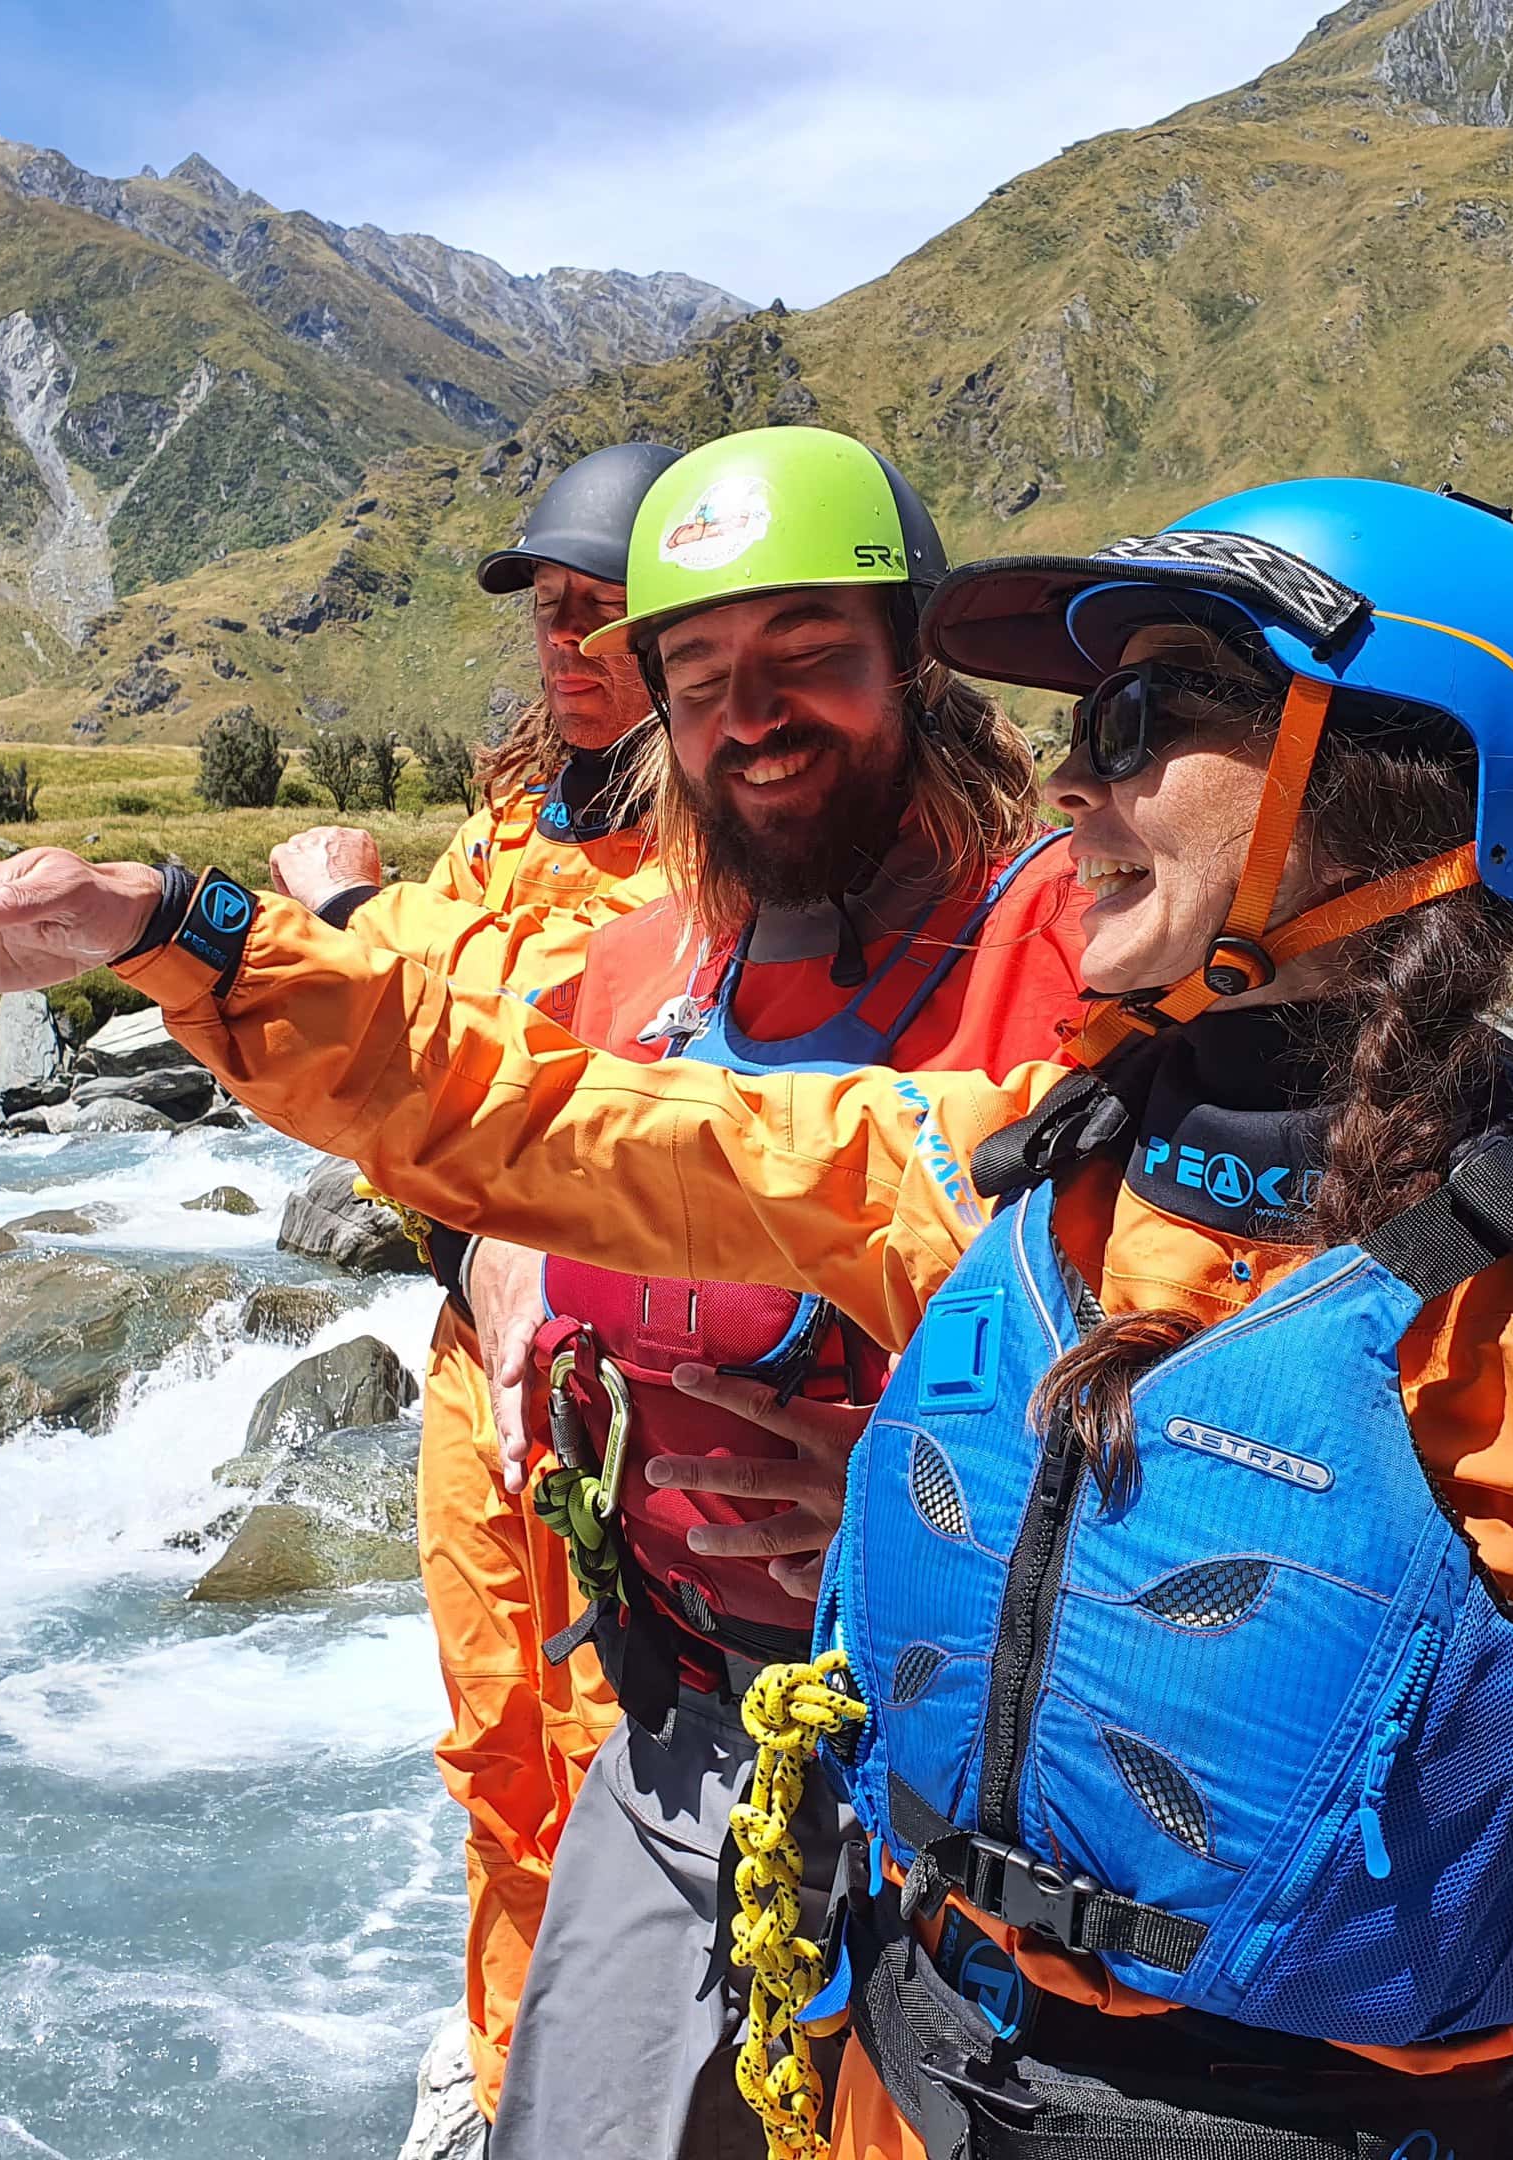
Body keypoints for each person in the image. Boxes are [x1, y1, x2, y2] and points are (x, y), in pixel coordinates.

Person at [0, 476, 1513, 2160]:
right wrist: (186, 928)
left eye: (1160, 715)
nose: (1078, 774)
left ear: (1408, 776)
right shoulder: (1008, 1172)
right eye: (1080, 722)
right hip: (896, 2082)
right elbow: (551, 1113)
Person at [438, 426, 1087, 2160]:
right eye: (703, 670)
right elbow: (518, 1151)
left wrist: (909, 1507)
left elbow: (1189, 1352)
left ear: (919, 664)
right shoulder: (637, 967)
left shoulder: (1064, 954)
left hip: (962, 1775)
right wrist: (503, 1243)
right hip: (677, 1730)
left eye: (810, 654)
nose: (755, 711)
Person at [266, 438, 681, 2140]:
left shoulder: (718, 857)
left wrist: (355, 908)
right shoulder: (513, 820)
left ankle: (637, 2096)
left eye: (600, 613)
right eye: (549, 612)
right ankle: (507, 2066)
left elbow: (518, 1067)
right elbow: (400, 1067)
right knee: (495, 1739)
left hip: (630, 1378)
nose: (564, 642)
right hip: (469, 1344)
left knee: (616, 1756)